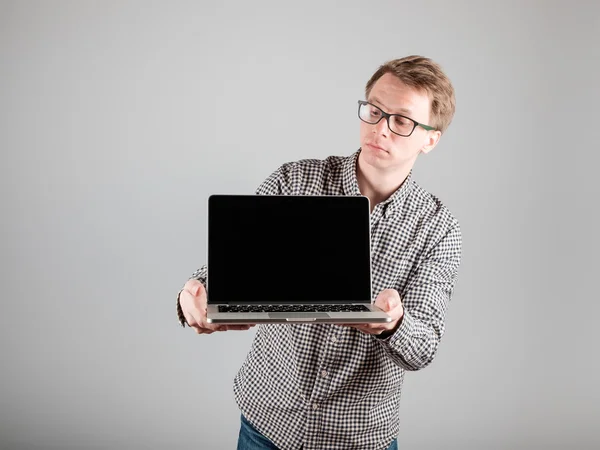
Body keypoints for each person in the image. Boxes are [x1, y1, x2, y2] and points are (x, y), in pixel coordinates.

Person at [176, 55, 462, 450]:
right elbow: (226, 269)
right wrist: (192, 294)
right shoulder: (295, 179)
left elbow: (424, 346)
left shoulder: (438, 227)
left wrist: (394, 323)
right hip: (267, 421)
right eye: (374, 111)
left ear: (430, 138)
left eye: (402, 120)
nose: (381, 129)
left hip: (359, 437)